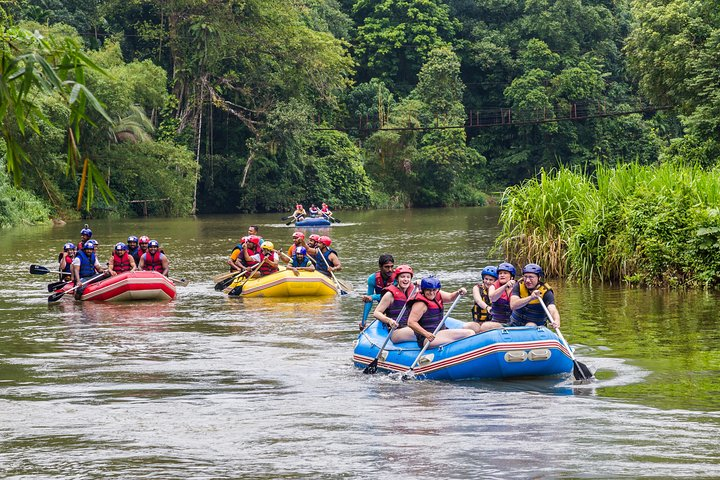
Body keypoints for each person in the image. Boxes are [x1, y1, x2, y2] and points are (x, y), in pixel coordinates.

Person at [406, 277, 475, 348]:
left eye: (434, 290)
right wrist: (426, 334)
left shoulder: (438, 294)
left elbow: (450, 297)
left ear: (437, 289)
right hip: (428, 338)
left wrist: (458, 292)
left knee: (470, 333)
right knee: (469, 333)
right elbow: (411, 322)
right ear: (423, 290)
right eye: (428, 290)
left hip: (440, 332)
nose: (431, 292)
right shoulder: (420, 304)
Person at [372, 265, 417, 343]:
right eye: (402, 277)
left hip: (411, 326)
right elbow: (376, 313)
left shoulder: (414, 292)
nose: (406, 279)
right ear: (397, 278)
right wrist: (389, 321)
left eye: (408, 277)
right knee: (422, 331)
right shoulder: (390, 295)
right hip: (397, 330)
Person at [509, 263, 560, 328]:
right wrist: (531, 298)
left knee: (530, 325)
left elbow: (552, 308)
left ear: (539, 278)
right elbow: (513, 305)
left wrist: (556, 320)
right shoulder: (518, 285)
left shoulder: (546, 291)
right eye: (525, 277)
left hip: (537, 328)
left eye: (531, 277)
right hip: (515, 326)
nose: (527, 280)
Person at [361, 254, 397, 326]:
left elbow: (391, 295)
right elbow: (368, 300)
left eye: (392, 266)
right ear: (380, 267)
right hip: (383, 309)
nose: (390, 270)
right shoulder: (372, 279)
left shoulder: (397, 277)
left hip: (396, 307)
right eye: (387, 267)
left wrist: (373, 297)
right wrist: (363, 321)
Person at [471, 266, 504, 332]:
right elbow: (478, 300)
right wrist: (487, 307)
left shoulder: (498, 290)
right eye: (486, 279)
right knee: (468, 326)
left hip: (492, 323)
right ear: (483, 278)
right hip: (478, 322)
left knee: (485, 327)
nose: (488, 282)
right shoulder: (477, 288)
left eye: (491, 280)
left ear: (495, 281)